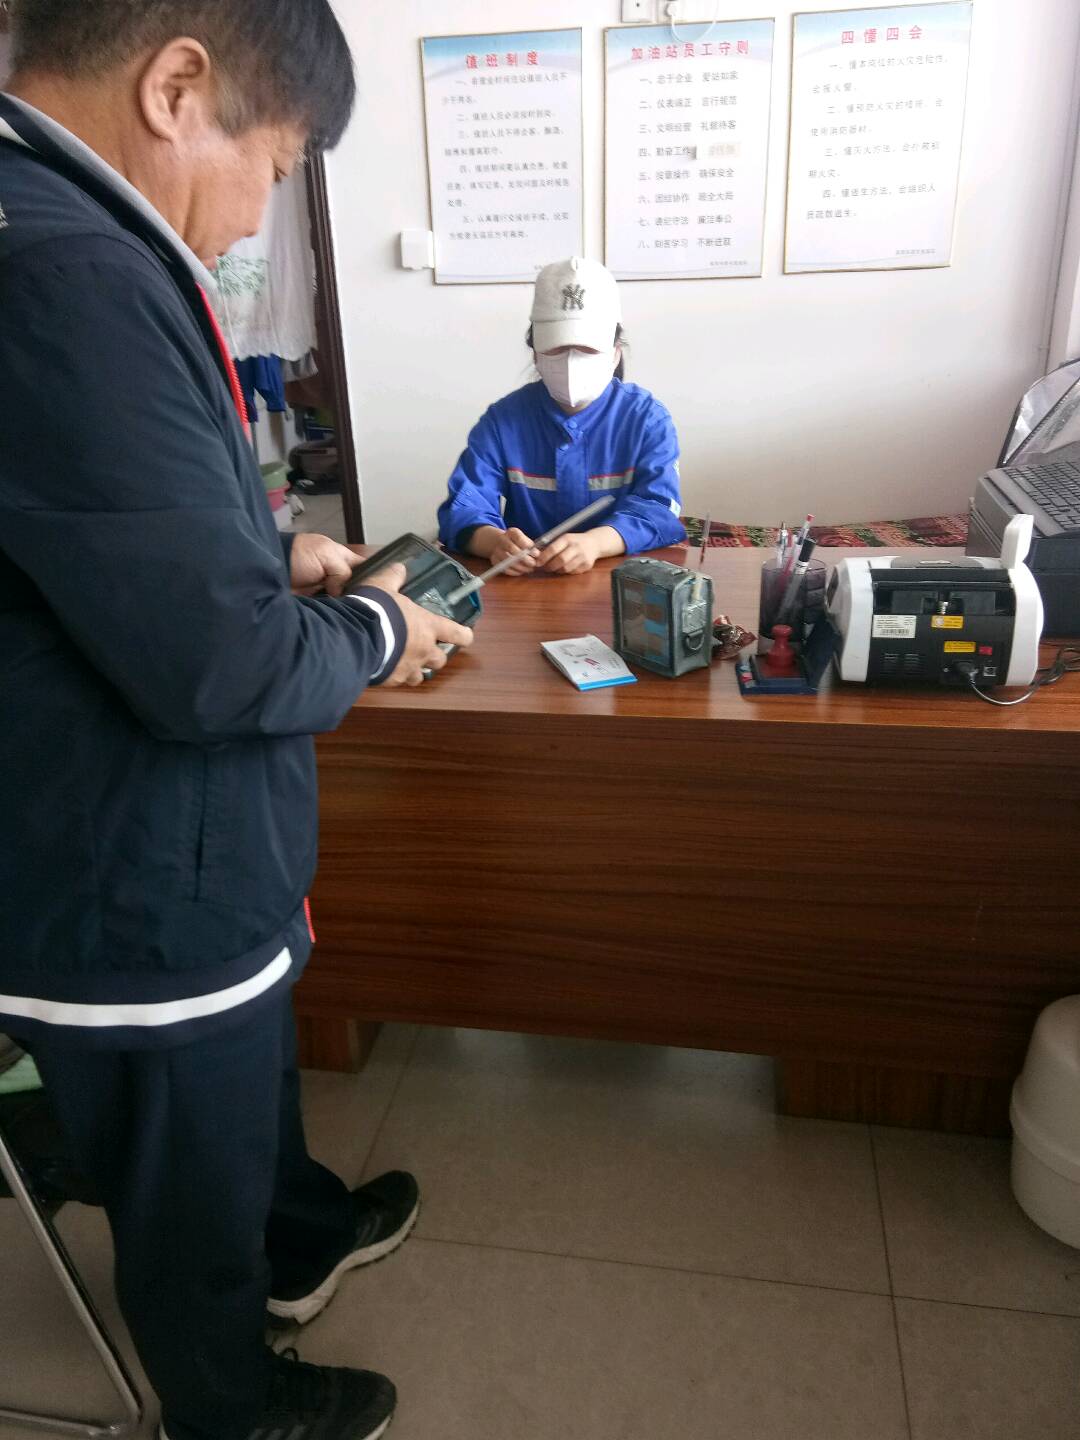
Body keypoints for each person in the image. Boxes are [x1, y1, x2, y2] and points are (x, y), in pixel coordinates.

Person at [0, 5, 473, 1439]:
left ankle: (300, 1236)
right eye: (272, 166)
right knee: (187, 1175)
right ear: (177, 86)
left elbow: (80, 533)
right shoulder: (64, 268)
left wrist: (269, 552)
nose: (261, 211)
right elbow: (217, 670)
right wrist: (380, 626)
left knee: (247, 1095)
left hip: (175, 844)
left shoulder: (65, 225)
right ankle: (229, 1406)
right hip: (131, 874)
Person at [437, 255, 686, 576]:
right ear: (535, 354)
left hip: (620, 583)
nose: (571, 362)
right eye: (556, 349)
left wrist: (596, 543)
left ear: (615, 353)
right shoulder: (503, 421)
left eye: (588, 350)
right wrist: (494, 542)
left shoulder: (647, 419)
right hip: (525, 582)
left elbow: (660, 508)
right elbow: (464, 504)